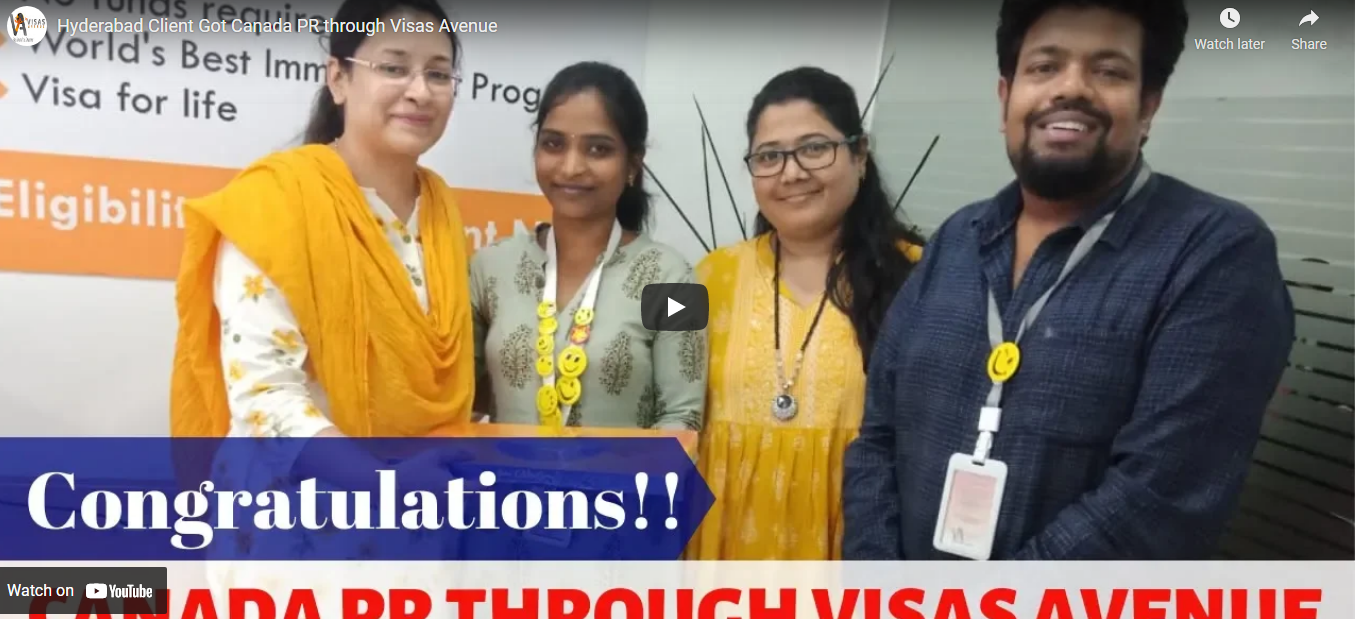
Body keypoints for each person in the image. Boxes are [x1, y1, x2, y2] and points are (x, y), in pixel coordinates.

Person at [843, 0, 1295, 560]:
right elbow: (878, 438)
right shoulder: (958, 239)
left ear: (1148, 107)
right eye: (1044, 66)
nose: (1071, 88)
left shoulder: (1214, 253)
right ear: (1006, 98)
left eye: (1108, 70)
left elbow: (1159, 504)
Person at [168, 0, 474, 583]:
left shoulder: (440, 212)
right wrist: (383, 484)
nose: (420, 91)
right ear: (339, 78)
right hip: (293, 539)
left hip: (409, 533)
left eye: (438, 73)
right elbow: (265, 397)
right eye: (394, 67)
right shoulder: (277, 203)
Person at [687, 67, 925, 559]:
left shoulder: (921, 279)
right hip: (716, 546)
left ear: (860, 155)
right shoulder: (706, 275)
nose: (791, 172)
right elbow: (631, 350)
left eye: (814, 148)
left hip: (856, 546)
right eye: (769, 156)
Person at [470, 61, 706, 430]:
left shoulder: (675, 278)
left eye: (598, 149)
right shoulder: (489, 267)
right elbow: (451, 397)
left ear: (633, 163)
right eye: (553, 144)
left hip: (627, 472)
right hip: (504, 469)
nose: (570, 167)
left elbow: (684, 417)